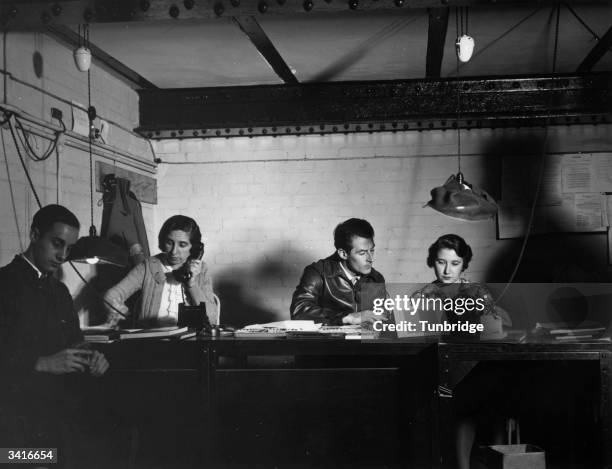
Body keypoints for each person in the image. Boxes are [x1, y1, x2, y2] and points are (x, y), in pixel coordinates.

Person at [0, 204, 109, 464]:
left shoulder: (59, 291)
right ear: (35, 235)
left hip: (58, 417)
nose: (62, 255)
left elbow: (74, 340)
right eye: (57, 243)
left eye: (69, 248)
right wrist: (41, 363)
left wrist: (91, 356)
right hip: (14, 423)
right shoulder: (4, 285)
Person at [417, 234, 510, 469]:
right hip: (443, 367)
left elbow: (500, 326)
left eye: (455, 263)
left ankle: (498, 461)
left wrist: (493, 319)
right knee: (465, 399)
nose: (447, 270)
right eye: (441, 262)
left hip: (480, 364)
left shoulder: (478, 292)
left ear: (464, 264)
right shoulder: (425, 294)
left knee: (496, 393)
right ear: (432, 262)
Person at [104, 214, 218, 328]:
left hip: (189, 340)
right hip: (152, 340)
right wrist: (121, 314)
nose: (174, 251)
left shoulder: (201, 270)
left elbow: (211, 319)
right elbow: (111, 296)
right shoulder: (148, 266)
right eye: (169, 242)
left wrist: (192, 284)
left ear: (193, 247)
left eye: (182, 245)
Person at [290, 218, 388, 326]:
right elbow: (299, 311)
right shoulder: (318, 272)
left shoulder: (376, 278)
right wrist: (347, 318)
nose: (371, 258)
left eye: (372, 250)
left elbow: (380, 317)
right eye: (362, 253)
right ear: (343, 254)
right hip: (329, 341)